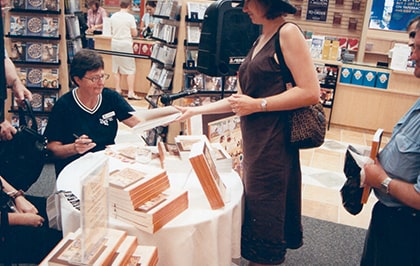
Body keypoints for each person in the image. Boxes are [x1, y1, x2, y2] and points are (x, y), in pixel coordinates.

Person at [174, 0, 320, 264]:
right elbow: (240, 98)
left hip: (274, 143)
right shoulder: (261, 36)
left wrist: (259, 105)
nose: (243, 10)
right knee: (255, 208)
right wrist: (195, 111)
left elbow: (310, 91)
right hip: (255, 141)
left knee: (266, 213)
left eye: (248, 3)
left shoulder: (287, 32)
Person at [360, 22, 420, 266]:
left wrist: (382, 180)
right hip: (389, 220)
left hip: (407, 230)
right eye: (413, 46)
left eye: (419, 48)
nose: (413, 55)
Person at [44, 49, 142, 176]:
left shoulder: (110, 97)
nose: (101, 82)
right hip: (75, 169)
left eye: (102, 76)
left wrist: (167, 115)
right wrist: (74, 148)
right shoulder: (64, 105)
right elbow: (52, 149)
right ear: (77, 79)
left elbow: (138, 121)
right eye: (94, 78)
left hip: (106, 165)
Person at [0, 175, 63, 263]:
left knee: (57, 209)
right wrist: (21, 219)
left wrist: (17, 196)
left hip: (5, 203)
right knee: (57, 243)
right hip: (4, 226)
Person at [110, 0, 140, 100]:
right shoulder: (130, 17)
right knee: (130, 69)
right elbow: (134, 33)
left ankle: (118, 89)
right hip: (125, 44)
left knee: (116, 67)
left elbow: (111, 29)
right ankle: (131, 92)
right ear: (129, 6)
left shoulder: (113, 16)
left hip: (114, 43)